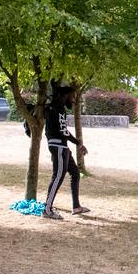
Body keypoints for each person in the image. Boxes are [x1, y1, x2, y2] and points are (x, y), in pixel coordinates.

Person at [43, 85, 89, 220]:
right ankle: (47, 209)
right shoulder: (58, 109)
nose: (74, 100)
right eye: (73, 96)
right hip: (59, 147)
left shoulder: (52, 107)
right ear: (66, 95)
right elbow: (63, 132)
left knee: (75, 173)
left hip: (61, 146)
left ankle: (76, 207)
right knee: (58, 176)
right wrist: (78, 143)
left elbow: (61, 131)